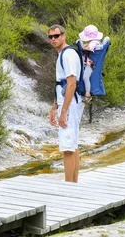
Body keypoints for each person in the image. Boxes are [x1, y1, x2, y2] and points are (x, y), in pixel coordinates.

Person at [48, 24, 83, 183]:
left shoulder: (68, 55)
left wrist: (63, 112)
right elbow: (59, 84)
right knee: (72, 143)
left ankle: (68, 187)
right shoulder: (63, 54)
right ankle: (73, 183)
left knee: (67, 146)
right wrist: (54, 107)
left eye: (57, 36)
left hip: (70, 103)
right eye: (51, 37)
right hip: (67, 102)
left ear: (64, 36)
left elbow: (71, 84)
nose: (54, 39)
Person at [79, 24, 104, 103]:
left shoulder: (94, 43)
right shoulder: (96, 42)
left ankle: (87, 94)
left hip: (91, 64)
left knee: (85, 77)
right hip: (90, 62)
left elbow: (90, 48)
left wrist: (84, 47)